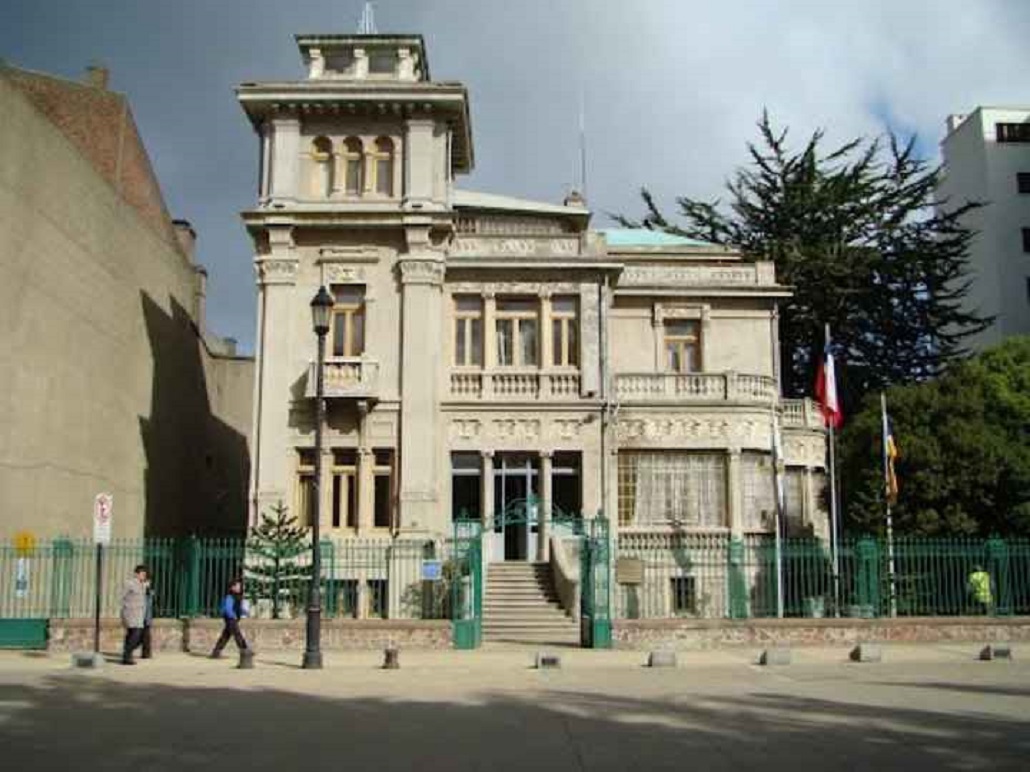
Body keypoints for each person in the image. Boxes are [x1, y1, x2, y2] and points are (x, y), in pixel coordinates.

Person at [210, 578, 250, 658]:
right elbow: (228, 608)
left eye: (240, 586)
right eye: (237, 586)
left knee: (226, 635)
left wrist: (244, 612)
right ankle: (245, 650)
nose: (239, 588)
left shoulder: (237, 597)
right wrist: (233, 616)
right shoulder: (229, 596)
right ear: (232, 587)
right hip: (230, 619)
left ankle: (216, 652)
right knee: (237, 634)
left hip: (233, 618)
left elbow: (237, 608)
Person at [119, 565, 148, 665]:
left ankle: (126, 656)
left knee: (132, 634)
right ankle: (127, 655)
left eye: (145, 575)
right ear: (136, 574)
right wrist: (126, 608)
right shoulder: (129, 583)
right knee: (136, 634)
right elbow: (122, 596)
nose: (144, 576)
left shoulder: (143, 584)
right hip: (130, 613)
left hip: (139, 613)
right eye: (142, 574)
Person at [141, 577, 155, 659]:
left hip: (146, 617)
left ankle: (146, 653)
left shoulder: (149, 592)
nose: (148, 583)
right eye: (146, 582)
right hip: (139, 616)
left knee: (147, 635)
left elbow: (149, 605)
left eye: (148, 582)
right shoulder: (139, 591)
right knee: (136, 635)